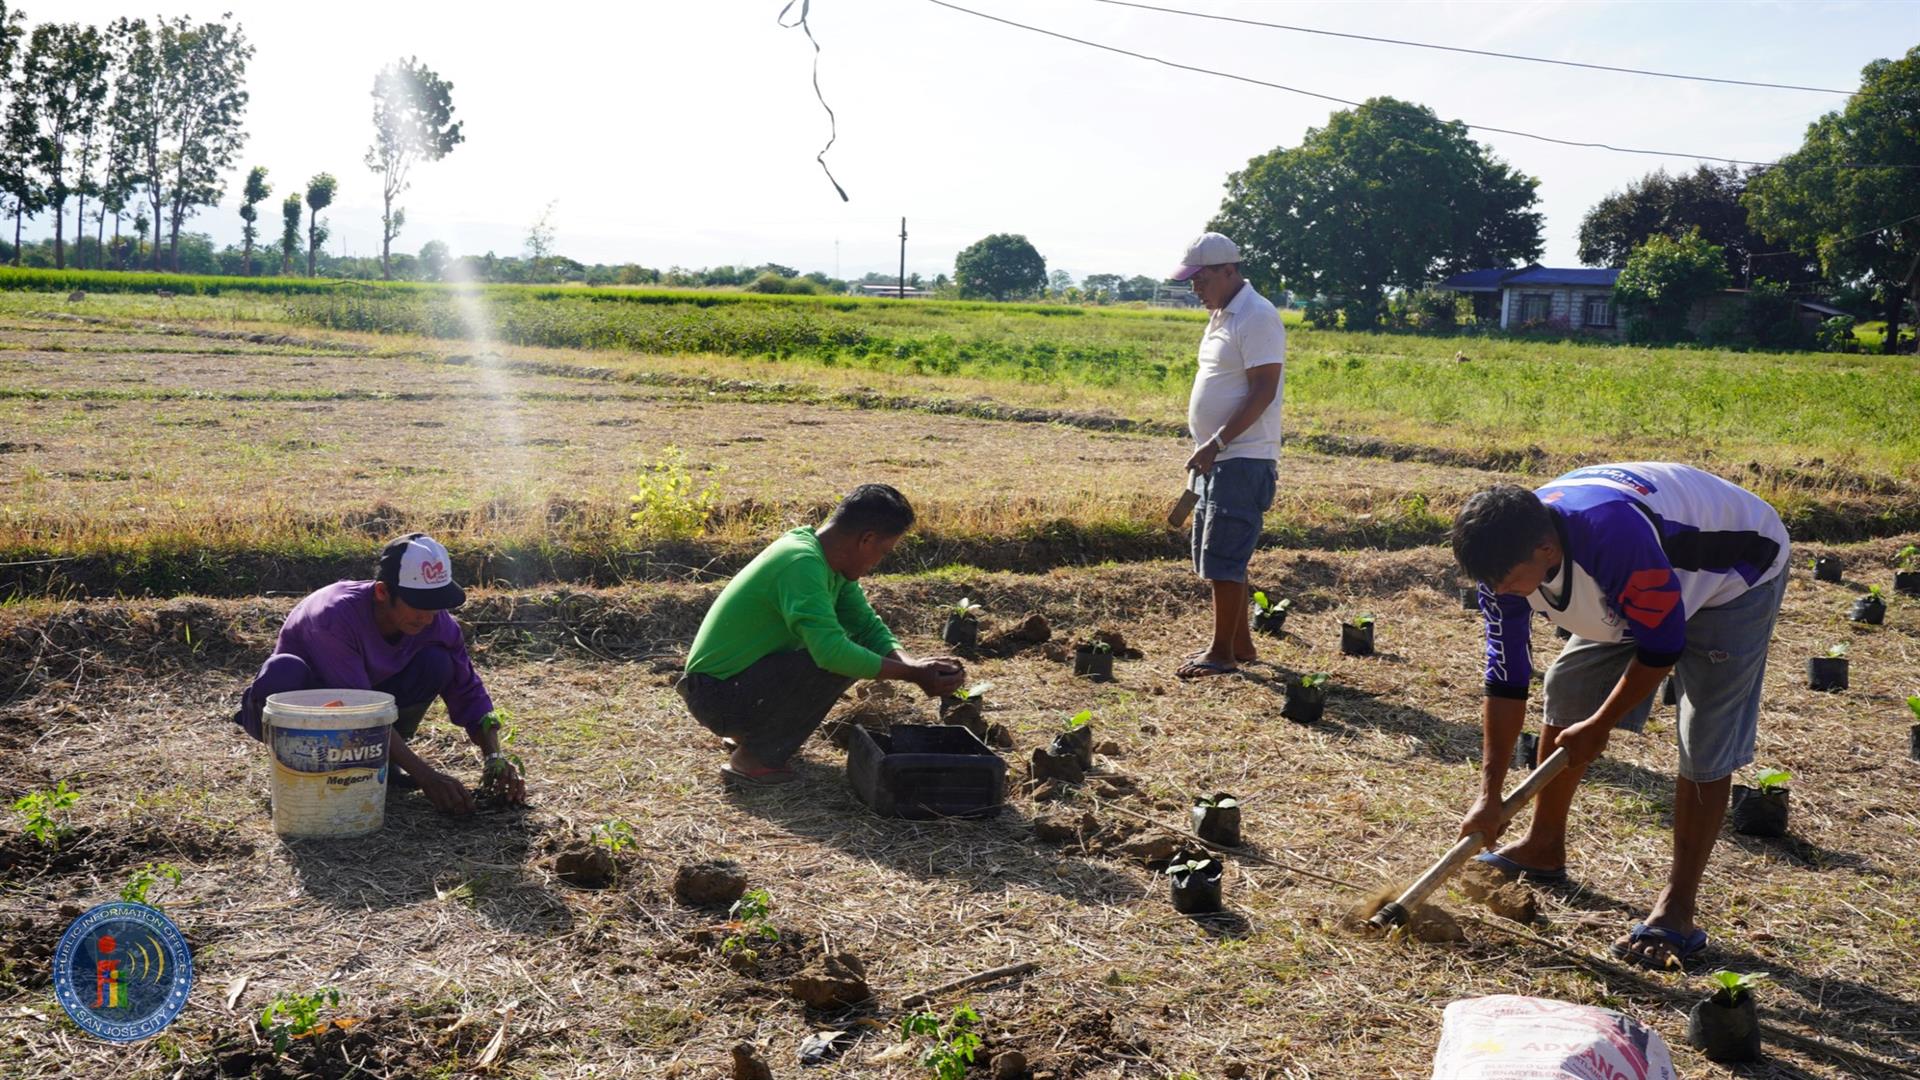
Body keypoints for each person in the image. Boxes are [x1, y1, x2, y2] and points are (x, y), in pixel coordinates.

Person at [1450, 463, 1789, 969]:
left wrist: (1602, 725)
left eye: (1504, 582)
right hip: (1644, 574)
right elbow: (1505, 678)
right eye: (1489, 583)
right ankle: (1543, 846)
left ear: (1546, 552)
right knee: (1568, 690)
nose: (1496, 592)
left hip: (1733, 571)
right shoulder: (1503, 565)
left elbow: (1662, 646)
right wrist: (1489, 795)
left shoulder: (1611, 538)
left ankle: (1677, 909)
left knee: (1704, 736)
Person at [679, 484, 965, 785]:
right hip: (716, 696)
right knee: (836, 656)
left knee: (852, 647)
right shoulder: (801, 563)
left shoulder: (827, 561)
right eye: (883, 552)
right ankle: (752, 759)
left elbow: (867, 626)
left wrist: (913, 664)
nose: (878, 563)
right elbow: (831, 652)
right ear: (866, 539)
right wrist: (911, 674)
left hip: (728, 687)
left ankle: (749, 735)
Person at [231, 533, 525, 814]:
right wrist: (427, 777)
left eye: (436, 605)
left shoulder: (436, 624)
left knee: (437, 662)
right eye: (419, 605)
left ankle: (377, 757)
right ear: (383, 592)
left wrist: (494, 757)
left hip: (363, 701)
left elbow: (468, 690)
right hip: (305, 711)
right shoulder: (333, 617)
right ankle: (308, 764)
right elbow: (359, 710)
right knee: (284, 670)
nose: (428, 617)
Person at [1169, 232, 1286, 679]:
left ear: (1228, 271)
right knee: (1223, 553)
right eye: (1191, 280)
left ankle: (1222, 654)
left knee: (1223, 555)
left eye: (1200, 279)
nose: (1194, 288)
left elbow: (1263, 390)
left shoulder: (1256, 315)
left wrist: (1217, 441)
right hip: (1220, 457)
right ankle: (1240, 643)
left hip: (1243, 456)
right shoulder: (1221, 315)